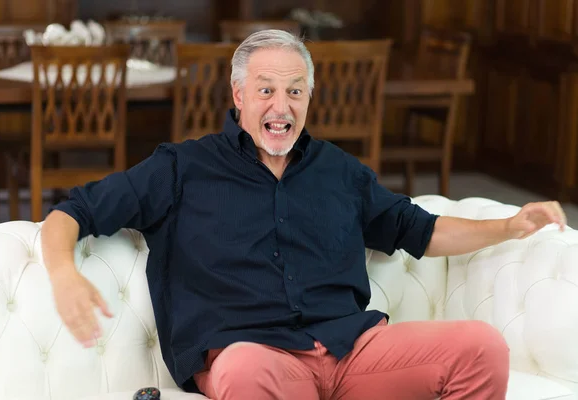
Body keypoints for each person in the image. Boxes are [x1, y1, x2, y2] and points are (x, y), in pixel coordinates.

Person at [41, 29, 567, 400]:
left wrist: (510, 225)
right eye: (266, 90)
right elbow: (75, 210)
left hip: (354, 349)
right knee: (246, 371)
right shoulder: (182, 167)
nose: (281, 106)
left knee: (480, 347)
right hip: (254, 358)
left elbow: (419, 229)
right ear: (239, 94)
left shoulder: (339, 171)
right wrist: (64, 273)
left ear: (310, 97)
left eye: (295, 91)